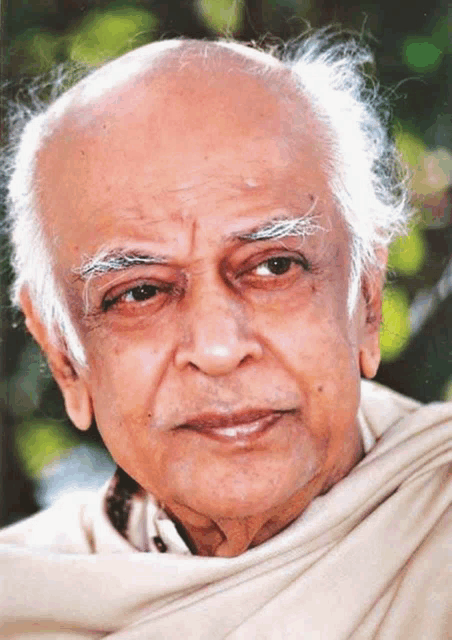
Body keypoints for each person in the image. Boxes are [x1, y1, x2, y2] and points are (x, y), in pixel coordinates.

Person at [1, 32, 451, 639]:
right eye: (140, 292)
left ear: (367, 299)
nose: (217, 350)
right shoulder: (24, 605)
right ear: (63, 358)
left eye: (274, 266)